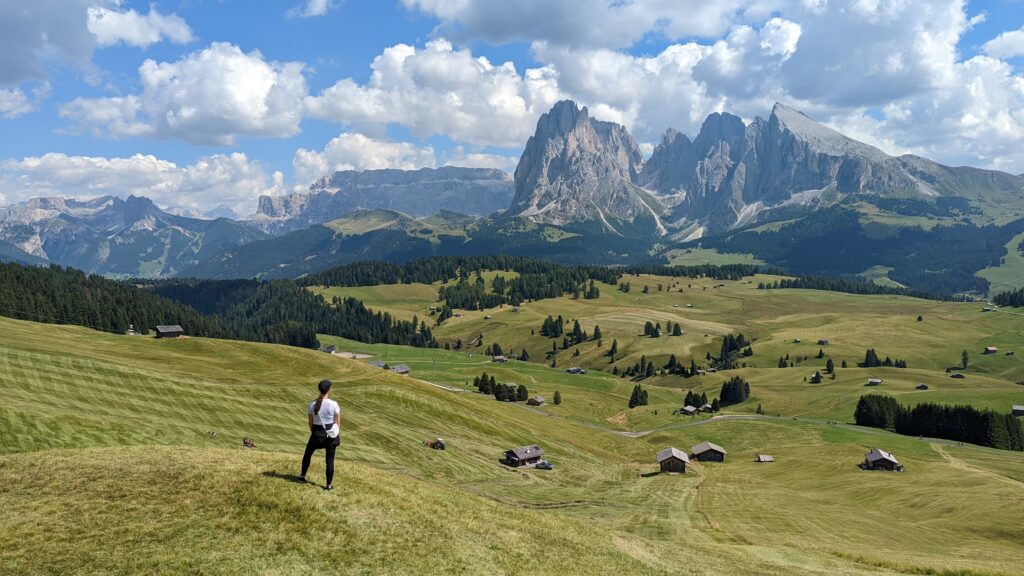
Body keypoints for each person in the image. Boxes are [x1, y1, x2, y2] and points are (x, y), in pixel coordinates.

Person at [299, 379, 341, 490]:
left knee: (307, 454)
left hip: (316, 433)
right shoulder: (334, 404)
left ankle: (302, 476)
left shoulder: (312, 404)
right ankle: (328, 485)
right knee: (330, 460)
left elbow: (310, 423)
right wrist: (334, 433)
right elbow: (337, 423)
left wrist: (315, 433)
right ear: (329, 390)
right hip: (331, 434)